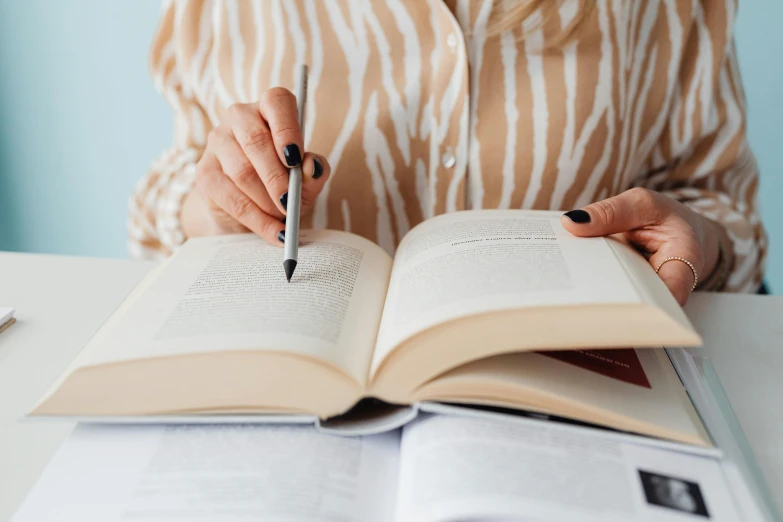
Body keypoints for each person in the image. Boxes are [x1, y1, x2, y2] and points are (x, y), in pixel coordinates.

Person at [129, 0, 766, 305]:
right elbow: (164, 198)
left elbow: (721, 205)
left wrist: (699, 238)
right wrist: (215, 207)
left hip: (573, 398)